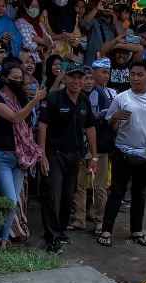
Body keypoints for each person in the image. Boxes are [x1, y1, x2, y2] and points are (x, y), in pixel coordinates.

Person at [99, 59, 146, 247]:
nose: (135, 78)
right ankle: (106, 230)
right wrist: (115, 118)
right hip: (123, 151)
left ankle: (136, 230)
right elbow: (111, 127)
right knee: (117, 191)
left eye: (140, 75)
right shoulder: (121, 98)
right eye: (132, 75)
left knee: (139, 192)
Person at [38, 62, 97, 254]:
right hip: (53, 153)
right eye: (72, 77)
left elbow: (90, 128)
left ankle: (60, 230)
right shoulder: (53, 98)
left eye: (80, 77)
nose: (76, 81)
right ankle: (51, 238)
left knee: (67, 195)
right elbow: (42, 126)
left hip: (75, 153)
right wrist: (42, 155)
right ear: (65, 78)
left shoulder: (84, 101)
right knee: (52, 195)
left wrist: (94, 156)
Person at [0, 59, 45, 249]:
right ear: (4, 78)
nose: (19, 81)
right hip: (1, 156)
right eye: (15, 78)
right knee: (10, 200)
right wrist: (35, 100)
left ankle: (3, 240)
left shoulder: (20, 100)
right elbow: (15, 118)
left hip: (19, 158)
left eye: (21, 78)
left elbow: (26, 126)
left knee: (14, 201)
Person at [71, 56, 113, 235]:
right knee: (79, 186)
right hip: (79, 146)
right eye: (85, 78)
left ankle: (99, 220)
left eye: (90, 78)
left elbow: (106, 117)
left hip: (100, 147)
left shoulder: (101, 95)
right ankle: (79, 219)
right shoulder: (74, 96)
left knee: (99, 186)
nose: (88, 82)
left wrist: (96, 117)